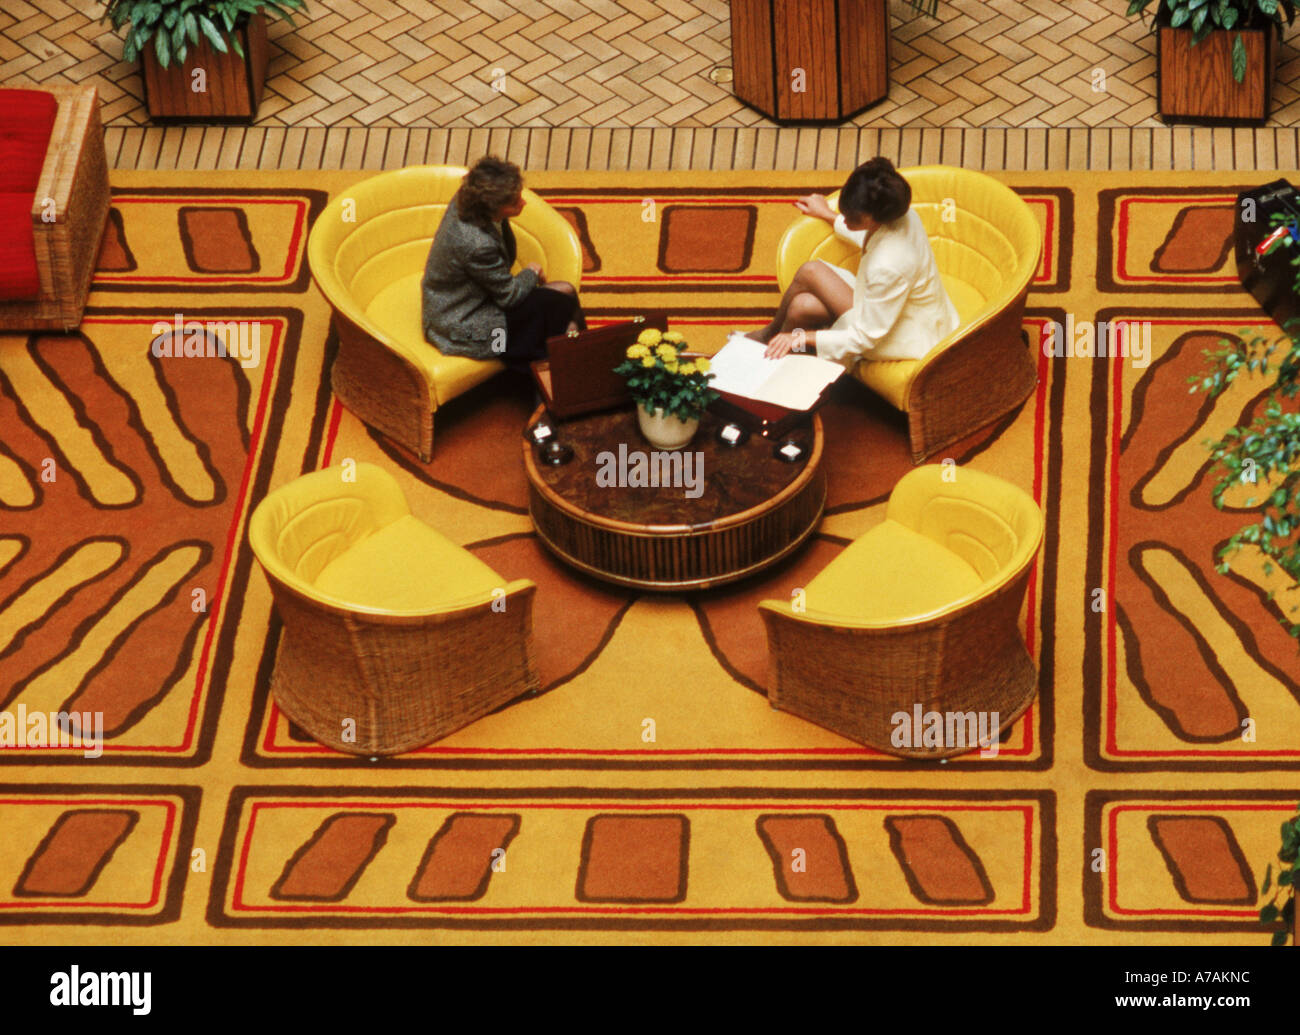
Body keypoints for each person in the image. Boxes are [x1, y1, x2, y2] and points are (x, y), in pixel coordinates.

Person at [751, 157, 959, 367]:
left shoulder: (889, 266)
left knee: (811, 274)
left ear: (877, 217)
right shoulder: (902, 215)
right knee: (801, 306)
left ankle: (775, 350)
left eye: (854, 219)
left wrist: (802, 337)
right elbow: (875, 239)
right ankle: (780, 348)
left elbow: (866, 336)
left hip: (901, 335)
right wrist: (828, 214)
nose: (847, 221)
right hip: (895, 308)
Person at [422, 156, 585, 370]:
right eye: (514, 202)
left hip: (479, 296)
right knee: (557, 312)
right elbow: (509, 296)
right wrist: (532, 271)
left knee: (566, 294)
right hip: (462, 323)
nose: (523, 203)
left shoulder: (470, 198)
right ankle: (562, 378)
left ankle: (579, 361)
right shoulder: (477, 244)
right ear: (493, 207)